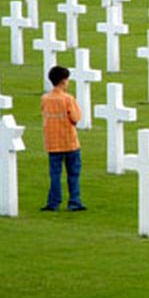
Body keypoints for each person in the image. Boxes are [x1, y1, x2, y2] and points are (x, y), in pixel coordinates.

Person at [40, 66, 87, 212]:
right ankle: (74, 201)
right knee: (73, 174)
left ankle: (53, 203)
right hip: (69, 142)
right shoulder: (68, 99)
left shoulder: (45, 99)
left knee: (55, 174)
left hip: (52, 142)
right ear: (63, 81)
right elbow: (76, 117)